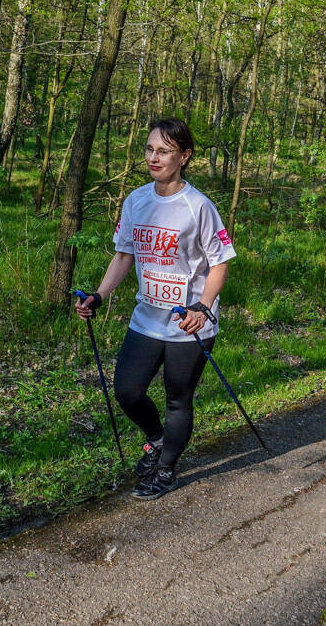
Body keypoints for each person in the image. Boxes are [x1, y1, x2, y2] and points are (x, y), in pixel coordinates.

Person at [75, 117, 236, 501]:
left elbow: (221, 262)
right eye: (149, 149)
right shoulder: (136, 200)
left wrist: (203, 306)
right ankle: (156, 440)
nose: (153, 157)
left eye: (163, 151)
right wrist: (98, 295)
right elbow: (123, 256)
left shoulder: (198, 206)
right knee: (128, 391)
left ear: (184, 156)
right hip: (147, 317)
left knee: (178, 398)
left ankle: (165, 470)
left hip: (188, 323)